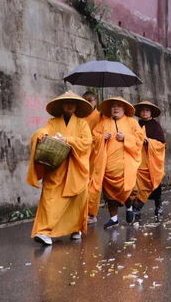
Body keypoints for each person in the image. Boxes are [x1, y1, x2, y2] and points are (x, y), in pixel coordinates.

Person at [27, 90, 93, 245]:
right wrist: (40, 135)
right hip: (56, 167)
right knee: (50, 198)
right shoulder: (53, 122)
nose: (69, 105)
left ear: (76, 106)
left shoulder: (82, 124)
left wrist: (68, 140)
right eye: (66, 103)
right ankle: (44, 231)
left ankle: (76, 228)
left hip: (76, 167)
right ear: (62, 106)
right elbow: (44, 131)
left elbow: (87, 142)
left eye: (72, 103)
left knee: (76, 199)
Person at [89, 97, 145, 229]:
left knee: (128, 189)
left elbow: (140, 138)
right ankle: (113, 218)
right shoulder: (103, 123)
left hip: (126, 164)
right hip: (108, 165)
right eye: (113, 106)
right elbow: (93, 137)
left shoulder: (132, 122)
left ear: (124, 109)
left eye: (119, 106)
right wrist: (102, 138)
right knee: (109, 194)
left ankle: (129, 207)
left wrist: (126, 137)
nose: (116, 108)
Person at [132, 101, 166, 221]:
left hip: (151, 160)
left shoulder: (155, 126)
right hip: (139, 159)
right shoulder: (136, 124)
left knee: (154, 183)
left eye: (147, 110)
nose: (144, 113)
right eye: (142, 110)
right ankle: (137, 208)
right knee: (137, 185)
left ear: (151, 112)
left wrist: (149, 142)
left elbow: (161, 144)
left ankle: (158, 205)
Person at [82, 90, 103, 224]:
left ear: (96, 101)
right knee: (81, 184)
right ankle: (81, 212)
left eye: (91, 100)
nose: (89, 103)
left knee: (94, 185)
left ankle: (91, 213)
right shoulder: (79, 117)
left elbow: (103, 131)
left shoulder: (101, 116)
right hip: (82, 153)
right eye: (86, 101)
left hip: (96, 153)